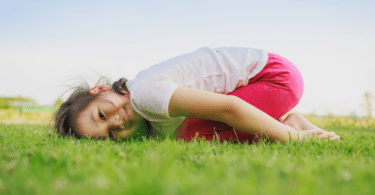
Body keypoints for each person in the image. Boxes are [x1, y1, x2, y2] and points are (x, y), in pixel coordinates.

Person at [54, 47, 340, 143]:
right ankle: (287, 122)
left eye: (102, 115)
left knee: (186, 135)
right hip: (272, 75)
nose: (114, 124)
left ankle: (291, 128)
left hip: (276, 79)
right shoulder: (142, 99)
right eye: (110, 135)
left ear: (100, 90)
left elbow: (229, 108)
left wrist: (293, 139)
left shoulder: (146, 95)